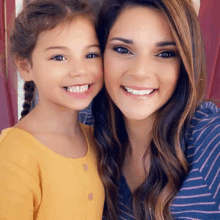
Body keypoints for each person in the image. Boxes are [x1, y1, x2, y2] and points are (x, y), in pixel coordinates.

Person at [89, 0, 220, 219]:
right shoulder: (87, 130)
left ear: (186, 62)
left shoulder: (210, 139)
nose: (140, 72)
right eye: (122, 49)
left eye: (165, 53)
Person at [0, 0, 104, 219]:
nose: (79, 70)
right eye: (59, 57)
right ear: (25, 66)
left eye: (91, 55)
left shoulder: (94, 138)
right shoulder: (14, 154)